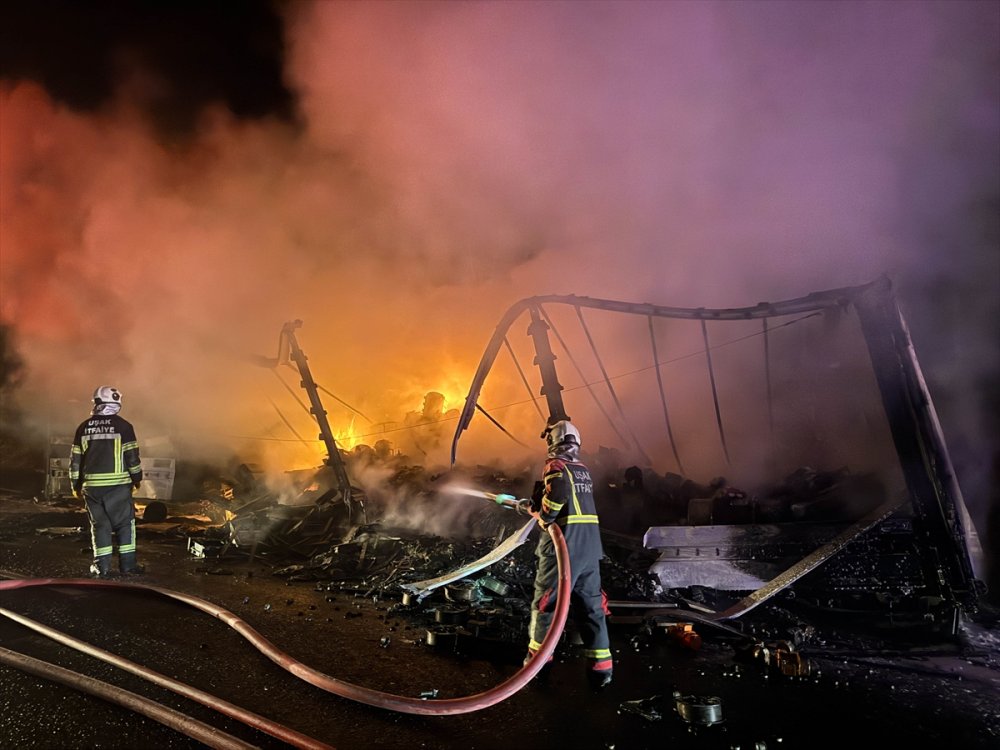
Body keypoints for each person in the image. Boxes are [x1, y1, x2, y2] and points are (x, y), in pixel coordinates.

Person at [525, 419, 613, 689]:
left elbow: (559, 493)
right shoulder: (582, 469)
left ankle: (538, 665)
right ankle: (601, 669)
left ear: (552, 442)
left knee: (546, 605)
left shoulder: (556, 466)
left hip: (565, 549)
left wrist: (545, 516)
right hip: (589, 549)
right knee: (591, 608)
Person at [70, 386, 144, 577]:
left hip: (92, 488)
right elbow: (132, 457)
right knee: (125, 525)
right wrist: (137, 479)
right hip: (118, 486)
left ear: (96, 402)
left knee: (100, 525)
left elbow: (75, 460)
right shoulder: (124, 427)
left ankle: (101, 567)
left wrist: (75, 485)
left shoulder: (83, 427)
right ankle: (128, 566)